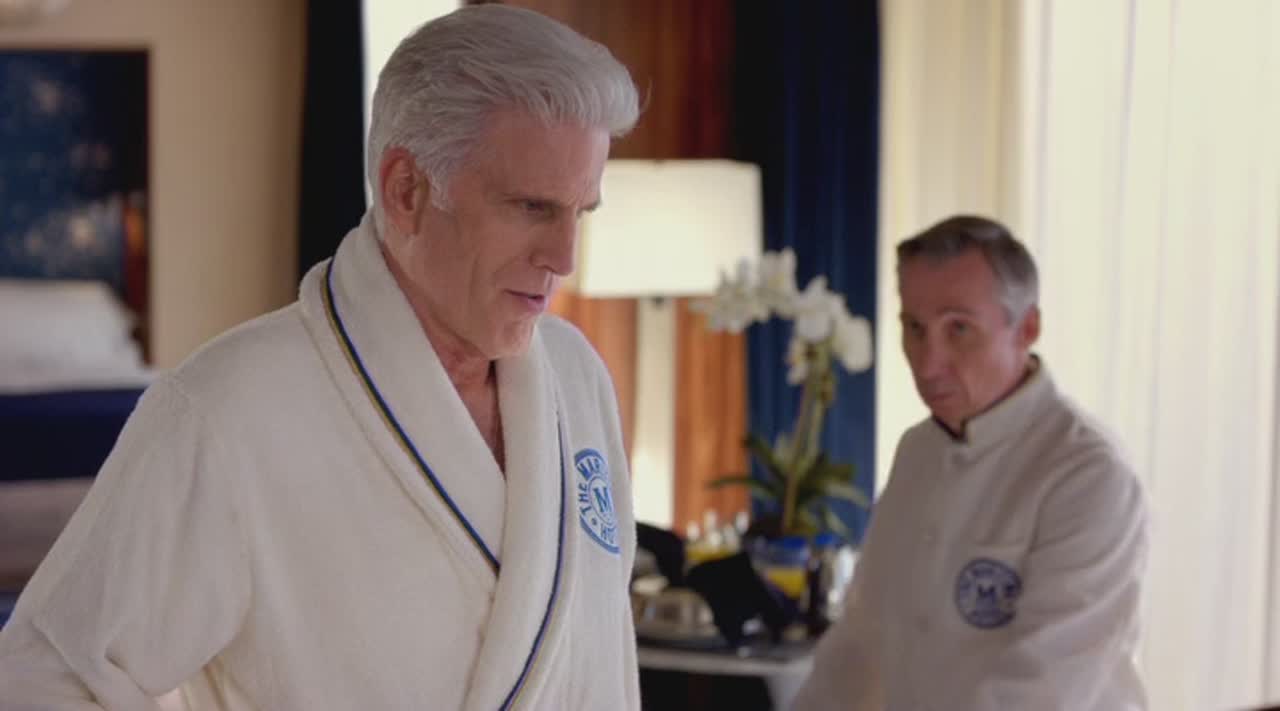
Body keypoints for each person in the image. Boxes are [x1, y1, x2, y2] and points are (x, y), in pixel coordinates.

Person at [0, 6, 642, 709]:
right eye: (531, 208)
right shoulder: (228, 411)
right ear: (406, 190)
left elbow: (605, 654)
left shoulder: (576, 375)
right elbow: (44, 680)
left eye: (581, 212)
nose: (565, 258)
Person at [793, 216, 1148, 710]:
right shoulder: (917, 452)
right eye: (914, 329)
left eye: (958, 328)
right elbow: (861, 644)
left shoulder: (1088, 475)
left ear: (1027, 329)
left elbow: (1043, 690)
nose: (927, 363)